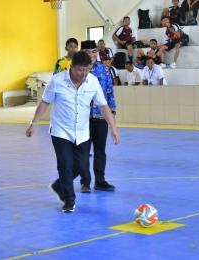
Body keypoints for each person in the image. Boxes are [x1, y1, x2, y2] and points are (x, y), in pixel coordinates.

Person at [25, 51, 120, 213]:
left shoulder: (92, 82)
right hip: (61, 131)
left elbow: (104, 106)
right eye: (79, 70)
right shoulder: (57, 81)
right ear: (72, 67)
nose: (83, 74)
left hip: (82, 132)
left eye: (86, 70)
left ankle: (58, 185)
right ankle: (69, 200)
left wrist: (113, 128)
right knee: (65, 165)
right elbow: (44, 102)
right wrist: (33, 123)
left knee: (82, 166)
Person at [80, 40, 117, 193]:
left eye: (94, 51)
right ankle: (85, 182)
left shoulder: (103, 69)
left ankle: (100, 181)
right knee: (83, 151)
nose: (91, 54)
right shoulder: (77, 70)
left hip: (101, 117)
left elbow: (109, 90)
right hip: (83, 118)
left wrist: (112, 112)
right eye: (88, 52)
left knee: (100, 150)